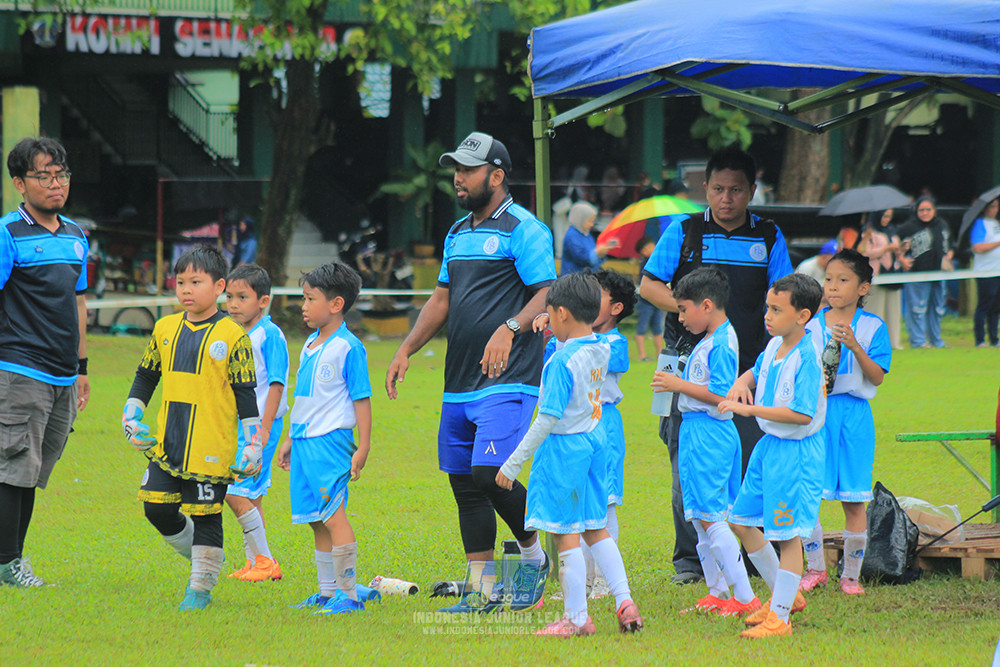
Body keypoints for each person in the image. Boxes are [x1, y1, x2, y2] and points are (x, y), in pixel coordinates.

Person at [385, 132, 554, 613]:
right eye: (455, 168)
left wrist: (510, 326)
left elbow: (547, 291)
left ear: (496, 176)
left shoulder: (525, 228)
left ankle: (532, 556)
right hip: (458, 381)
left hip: (509, 376)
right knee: (465, 484)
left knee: (490, 472)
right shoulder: (457, 232)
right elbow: (441, 299)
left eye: (469, 169)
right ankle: (482, 591)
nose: (458, 177)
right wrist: (407, 349)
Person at [639, 146, 793, 584]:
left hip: (748, 368)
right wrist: (695, 314)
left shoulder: (768, 236)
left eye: (736, 191)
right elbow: (649, 286)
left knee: (747, 458)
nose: (726, 199)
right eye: (719, 189)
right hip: (680, 364)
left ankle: (747, 553)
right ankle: (690, 559)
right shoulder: (683, 231)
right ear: (704, 188)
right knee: (683, 458)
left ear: (752, 192)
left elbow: (784, 294)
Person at [496, 272, 643, 637]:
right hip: (594, 442)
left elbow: (547, 417)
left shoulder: (561, 363)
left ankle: (576, 618)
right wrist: (554, 329)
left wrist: (514, 462)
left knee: (566, 535)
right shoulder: (601, 345)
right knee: (596, 529)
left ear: (561, 313)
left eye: (551, 313)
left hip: (564, 449)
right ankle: (624, 600)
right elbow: (575, 343)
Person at [122, 245, 262, 610]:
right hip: (168, 443)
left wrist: (253, 443)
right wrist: (131, 414)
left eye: (195, 281)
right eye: (180, 281)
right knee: (155, 507)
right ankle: (204, 557)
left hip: (210, 444)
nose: (185, 289)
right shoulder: (164, 327)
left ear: (218, 287)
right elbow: (146, 376)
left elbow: (246, 395)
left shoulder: (233, 335)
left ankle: (199, 588)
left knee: (206, 514)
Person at [0, 137, 90, 587]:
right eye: (43, 175)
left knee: (33, 471)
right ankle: (8, 564)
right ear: (20, 182)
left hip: (62, 374)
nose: (56, 183)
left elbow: (78, 303)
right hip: (18, 369)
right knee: (12, 465)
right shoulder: (6, 233)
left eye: (62, 174)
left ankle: (12, 561)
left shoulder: (76, 236)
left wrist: (83, 368)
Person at [720, 273, 826, 639]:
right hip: (769, 449)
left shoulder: (807, 358)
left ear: (803, 316)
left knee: (788, 534)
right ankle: (786, 596)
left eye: (777, 309)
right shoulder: (775, 345)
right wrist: (741, 382)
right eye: (768, 306)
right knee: (740, 521)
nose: (767, 315)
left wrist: (753, 411)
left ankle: (779, 618)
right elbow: (758, 368)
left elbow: (802, 415)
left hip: (795, 455)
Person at [651, 267, 759, 618]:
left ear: (707, 305)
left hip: (709, 435)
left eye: (683, 309)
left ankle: (744, 597)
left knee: (712, 518)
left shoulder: (722, 343)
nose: (680, 318)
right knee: (698, 518)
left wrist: (677, 384)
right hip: (697, 432)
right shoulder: (711, 339)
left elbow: (721, 394)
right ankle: (717, 591)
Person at [277, 262, 373, 615]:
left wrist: (363, 446)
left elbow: (362, 399)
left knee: (334, 516)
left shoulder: (349, 347)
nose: (303, 305)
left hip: (330, 443)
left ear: (335, 304)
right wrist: (290, 437)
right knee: (316, 519)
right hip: (304, 442)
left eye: (310, 298)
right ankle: (327, 591)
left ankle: (348, 596)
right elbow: (304, 397)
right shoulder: (309, 345)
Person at [800, 249, 891, 595]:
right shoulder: (809, 325)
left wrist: (855, 346)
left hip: (854, 416)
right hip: (818, 413)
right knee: (810, 493)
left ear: (863, 288)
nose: (833, 287)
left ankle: (850, 576)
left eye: (843, 280)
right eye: (829, 279)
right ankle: (815, 569)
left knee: (854, 498)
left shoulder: (872, 327)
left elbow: (877, 377)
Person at [223, 263, 289, 582]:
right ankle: (255, 564)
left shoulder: (270, 335)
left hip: (259, 426)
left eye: (242, 297)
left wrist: (263, 429)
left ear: (263, 301)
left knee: (233, 490)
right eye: (230, 296)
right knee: (252, 495)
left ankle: (265, 560)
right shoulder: (237, 332)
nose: (233, 304)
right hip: (239, 425)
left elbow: (276, 383)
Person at [897, 196, 953, 348]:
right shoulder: (907, 228)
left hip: (939, 273)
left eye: (928, 209)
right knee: (917, 309)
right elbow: (896, 248)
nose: (925, 213)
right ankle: (918, 341)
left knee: (937, 308)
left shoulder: (942, 225)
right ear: (916, 211)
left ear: (934, 210)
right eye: (921, 210)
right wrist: (902, 258)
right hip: (917, 274)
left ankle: (936, 341)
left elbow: (949, 245)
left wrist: (950, 255)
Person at [859, 209, 903, 350]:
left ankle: (893, 343)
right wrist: (884, 249)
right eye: (884, 216)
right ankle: (872, 343)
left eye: (889, 216)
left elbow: (897, 253)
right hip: (875, 275)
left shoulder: (892, 231)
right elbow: (863, 253)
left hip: (893, 274)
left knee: (893, 312)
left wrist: (900, 250)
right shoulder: (868, 232)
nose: (886, 219)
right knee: (875, 311)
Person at [969, 197, 1000, 347]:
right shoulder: (980, 224)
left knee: (996, 307)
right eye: (991, 206)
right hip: (986, 272)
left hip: (998, 271)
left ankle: (994, 339)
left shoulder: (996, 224)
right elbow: (978, 247)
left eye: (996, 206)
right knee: (984, 306)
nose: (993, 210)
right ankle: (980, 339)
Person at [560, 201, 618, 275]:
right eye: (590, 221)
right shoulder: (572, 236)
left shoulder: (586, 234)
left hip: (586, 277)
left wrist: (602, 252)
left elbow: (592, 256)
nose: (592, 224)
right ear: (580, 219)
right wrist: (597, 252)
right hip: (574, 280)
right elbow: (581, 259)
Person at [634, 237, 664, 362]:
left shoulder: (657, 260)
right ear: (644, 251)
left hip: (658, 300)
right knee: (642, 327)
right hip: (646, 301)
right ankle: (642, 355)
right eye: (650, 246)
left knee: (658, 329)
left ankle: (659, 355)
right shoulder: (645, 263)